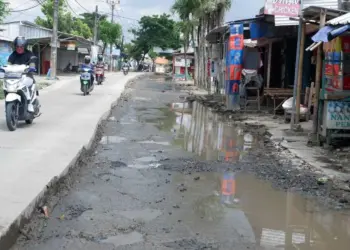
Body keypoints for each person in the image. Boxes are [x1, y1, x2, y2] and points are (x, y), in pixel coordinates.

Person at [8, 36, 38, 113]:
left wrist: (32, 67)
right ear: (15, 47)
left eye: (21, 47)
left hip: (27, 76)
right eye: (17, 46)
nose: (19, 48)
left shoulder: (29, 54)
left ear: (24, 46)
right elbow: (8, 64)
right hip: (15, 77)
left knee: (24, 85)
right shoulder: (13, 54)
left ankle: (29, 104)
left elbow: (32, 63)